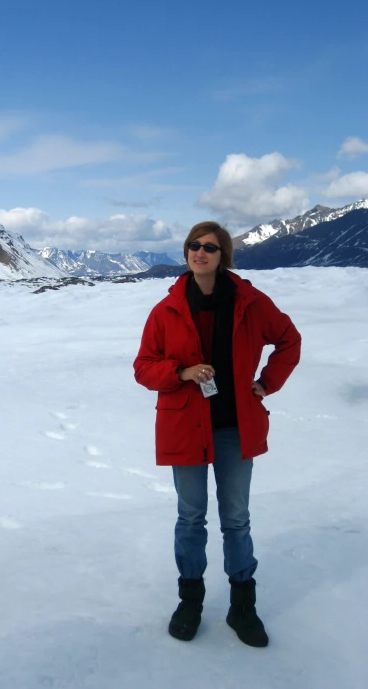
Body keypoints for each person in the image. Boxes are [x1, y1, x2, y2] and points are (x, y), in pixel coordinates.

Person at [133, 221, 301, 647]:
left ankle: (242, 606)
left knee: (236, 519)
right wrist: (180, 372)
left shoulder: (249, 301)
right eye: (193, 246)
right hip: (184, 424)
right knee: (190, 518)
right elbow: (143, 366)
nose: (199, 253)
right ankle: (190, 600)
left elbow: (288, 340)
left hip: (233, 426)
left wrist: (265, 383)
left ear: (222, 255)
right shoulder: (166, 309)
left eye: (209, 247)